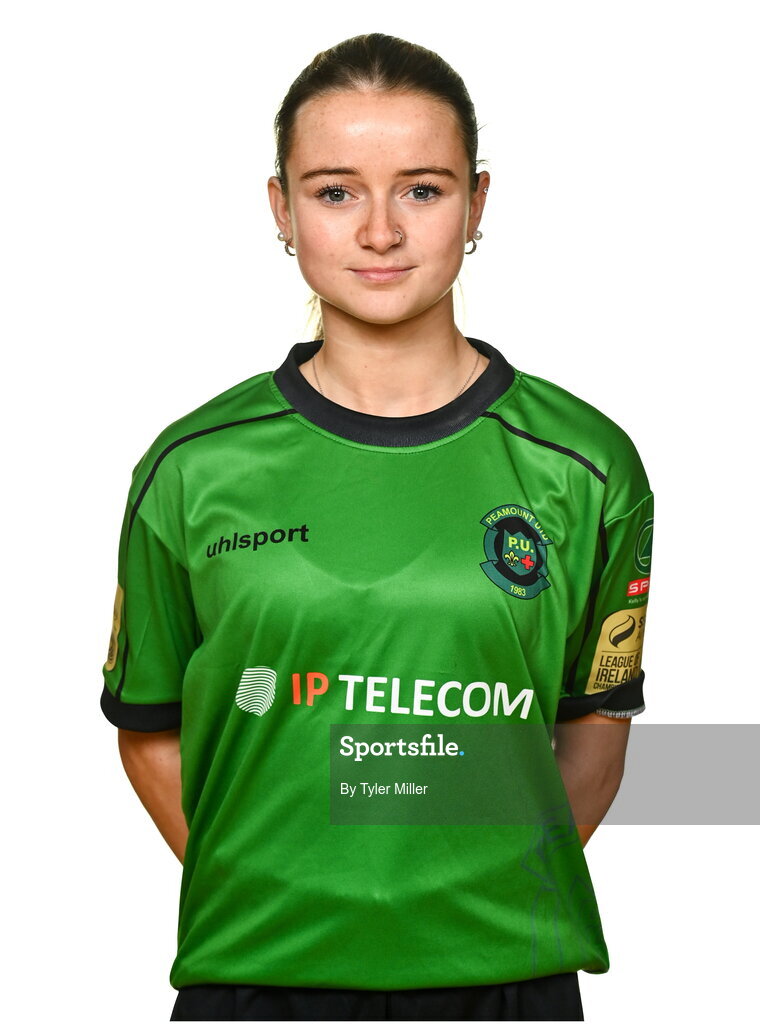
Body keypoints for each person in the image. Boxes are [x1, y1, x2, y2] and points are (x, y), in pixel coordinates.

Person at [101, 32, 653, 1022]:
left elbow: (592, 732)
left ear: (477, 204)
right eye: (335, 190)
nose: (381, 232)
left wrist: (458, 901)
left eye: (423, 189)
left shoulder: (587, 465)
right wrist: (302, 890)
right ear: (281, 208)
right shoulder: (191, 468)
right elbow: (151, 737)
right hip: (258, 983)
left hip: (504, 987)